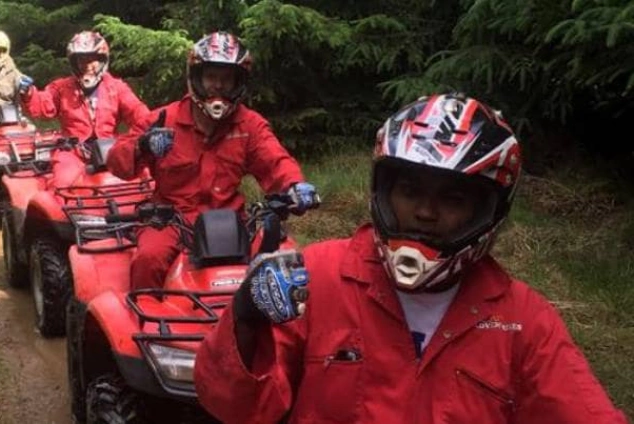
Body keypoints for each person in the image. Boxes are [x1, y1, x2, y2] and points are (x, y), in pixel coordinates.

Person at [193, 93, 629, 424]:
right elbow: (232, 405)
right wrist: (244, 318)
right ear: (383, 193)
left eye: (452, 197)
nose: (424, 211)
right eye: (409, 191)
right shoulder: (317, 277)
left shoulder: (524, 322)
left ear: (488, 211)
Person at [106, 31, 319, 290]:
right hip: (172, 219)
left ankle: (276, 328)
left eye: (226, 79)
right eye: (210, 77)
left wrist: (295, 186)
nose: (218, 86)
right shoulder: (164, 119)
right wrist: (142, 145)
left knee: (285, 262)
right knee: (148, 261)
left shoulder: (248, 124)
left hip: (233, 220)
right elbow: (117, 161)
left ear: (238, 83)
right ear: (196, 78)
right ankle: (146, 325)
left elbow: (275, 161)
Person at [19, 31, 150, 187]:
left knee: (146, 175)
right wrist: (29, 94)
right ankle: (61, 208)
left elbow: (137, 111)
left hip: (111, 149)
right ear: (75, 63)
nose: (88, 66)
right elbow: (44, 104)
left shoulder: (116, 87)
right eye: (82, 60)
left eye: (92, 60)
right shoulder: (61, 87)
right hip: (73, 152)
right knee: (62, 182)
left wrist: (154, 125)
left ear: (102, 60)